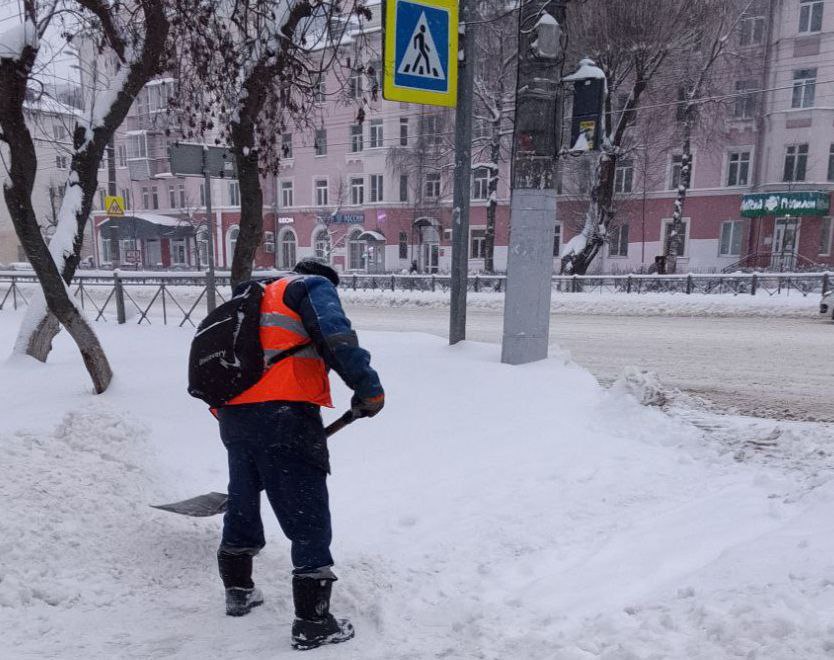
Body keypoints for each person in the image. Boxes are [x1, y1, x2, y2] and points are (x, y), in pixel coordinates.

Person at [215, 257, 384, 651]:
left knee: (242, 498)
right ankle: (313, 621)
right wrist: (368, 389)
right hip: (285, 414)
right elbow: (337, 338)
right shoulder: (311, 286)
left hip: (234, 414)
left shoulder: (254, 294)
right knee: (306, 510)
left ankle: (238, 591)